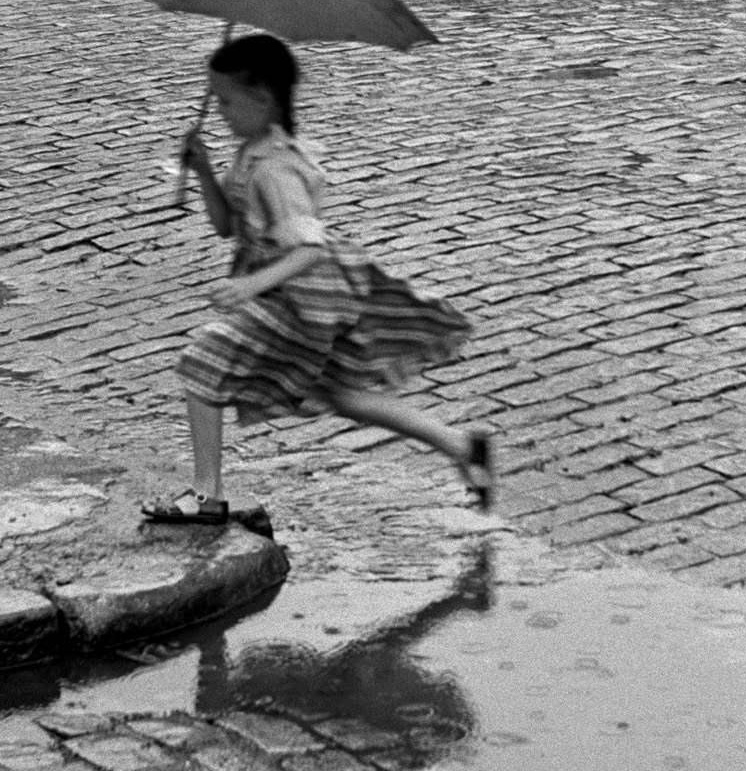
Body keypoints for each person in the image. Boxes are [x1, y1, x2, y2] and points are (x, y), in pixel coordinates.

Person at [144, 32, 493, 527]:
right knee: (341, 393)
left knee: (201, 363)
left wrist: (248, 288)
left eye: (225, 100)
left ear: (262, 98)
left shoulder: (276, 171)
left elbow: (310, 249)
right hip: (296, 292)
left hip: (296, 297)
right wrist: (202, 172)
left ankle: (206, 496)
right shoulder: (253, 152)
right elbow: (226, 226)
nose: (217, 110)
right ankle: (464, 447)